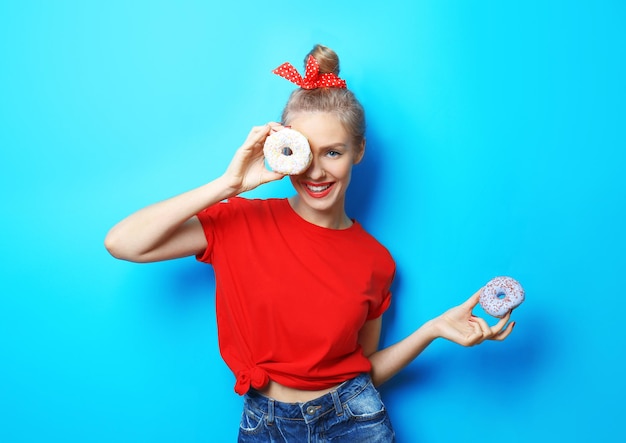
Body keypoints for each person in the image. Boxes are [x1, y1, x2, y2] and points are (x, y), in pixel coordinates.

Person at [105, 44, 515, 442]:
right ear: (284, 150)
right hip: (263, 425)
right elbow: (123, 243)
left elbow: (361, 375)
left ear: (358, 151)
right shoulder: (239, 222)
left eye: (333, 152)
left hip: (354, 423)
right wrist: (227, 185)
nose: (316, 173)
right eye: (304, 153)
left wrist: (432, 330)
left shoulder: (376, 262)